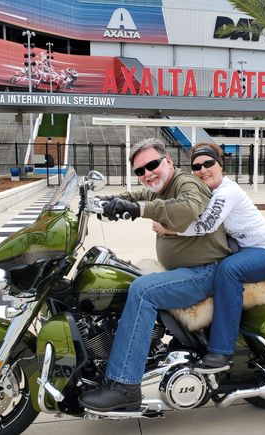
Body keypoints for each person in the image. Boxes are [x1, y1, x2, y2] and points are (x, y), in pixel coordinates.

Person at [80, 138, 231, 412]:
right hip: (184, 271)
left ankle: (124, 386)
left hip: (205, 271)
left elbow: (187, 209)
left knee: (142, 290)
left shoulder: (186, 183)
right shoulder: (162, 187)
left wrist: (136, 210)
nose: (147, 173)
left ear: (168, 161)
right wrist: (112, 201)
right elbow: (139, 196)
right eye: (140, 170)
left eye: (152, 165)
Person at [153, 142, 265, 369]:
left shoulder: (227, 192)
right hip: (248, 249)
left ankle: (222, 351)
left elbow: (206, 224)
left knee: (228, 271)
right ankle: (194, 335)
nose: (203, 170)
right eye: (196, 167)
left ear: (220, 164)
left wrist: (170, 230)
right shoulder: (209, 192)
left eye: (208, 163)